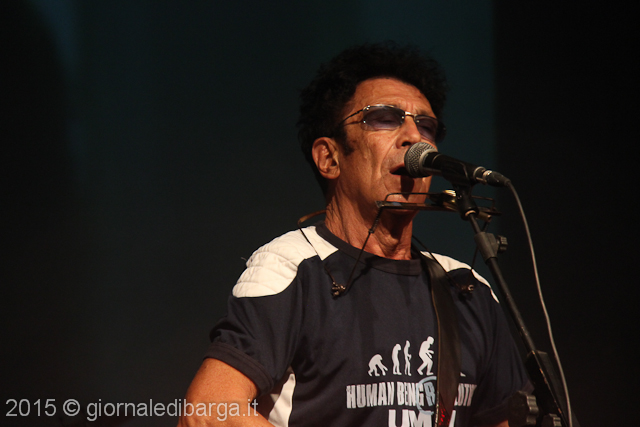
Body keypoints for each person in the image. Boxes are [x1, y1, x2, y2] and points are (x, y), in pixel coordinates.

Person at [178, 42, 529, 427]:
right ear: (329, 158)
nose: (414, 136)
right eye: (384, 118)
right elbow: (208, 411)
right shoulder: (291, 269)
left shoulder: (467, 288)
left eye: (426, 125)